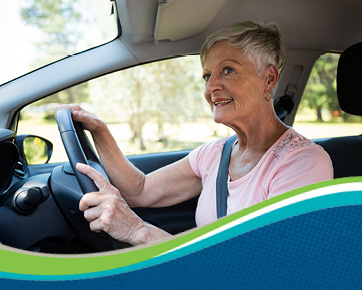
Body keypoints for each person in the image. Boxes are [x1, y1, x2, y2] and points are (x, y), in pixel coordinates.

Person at [56, 21, 333, 246]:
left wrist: (138, 231)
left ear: (269, 79)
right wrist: (100, 132)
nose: (211, 87)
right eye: (207, 75)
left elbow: (265, 269)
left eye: (228, 70)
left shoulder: (303, 163)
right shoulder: (215, 153)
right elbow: (140, 190)